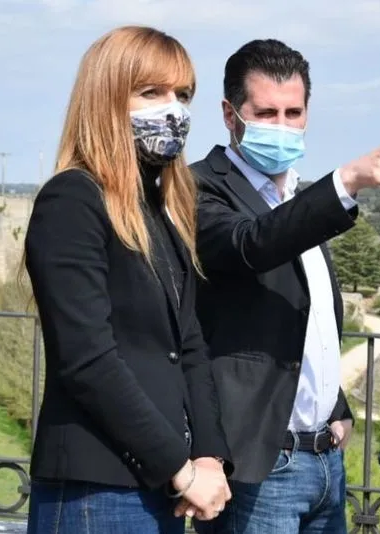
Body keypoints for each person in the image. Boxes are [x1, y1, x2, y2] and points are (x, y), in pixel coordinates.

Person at [190, 38, 380, 534]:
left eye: (293, 112)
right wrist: (345, 182)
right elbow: (250, 244)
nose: (282, 125)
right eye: (266, 113)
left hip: (325, 461)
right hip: (261, 466)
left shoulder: (296, 196)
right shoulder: (199, 189)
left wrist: (336, 409)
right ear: (231, 115)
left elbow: (309, 321)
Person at [23, 26, 233, 533]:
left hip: (154, 487)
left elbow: (189, 345)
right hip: (97, 490)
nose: (174, 110)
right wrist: (180, 470)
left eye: (183, 95)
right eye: (151, 92)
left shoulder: (161, 211)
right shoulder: (73, 201)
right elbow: (88, 360)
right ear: (107, 99)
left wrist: (208, 455)